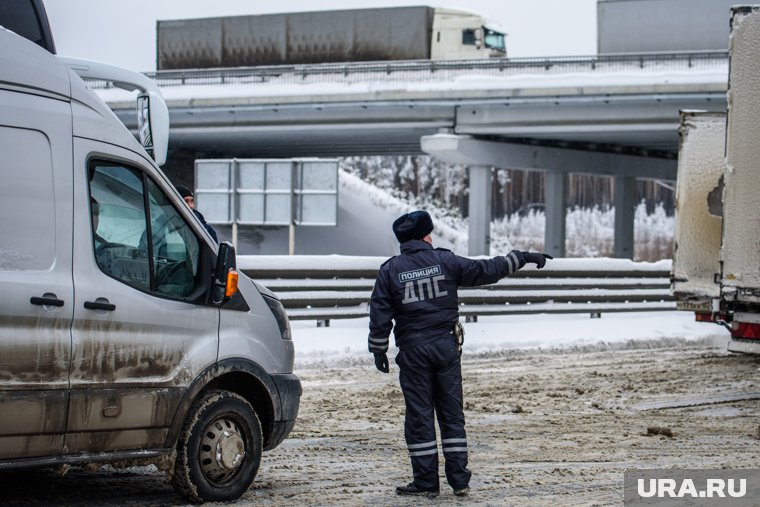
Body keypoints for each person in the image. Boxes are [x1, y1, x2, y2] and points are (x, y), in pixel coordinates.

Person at [368, 210, 552, 498]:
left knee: (420, 416)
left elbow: (380, 313)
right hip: (445, 348)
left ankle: (426, 481)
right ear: (427, 235)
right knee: (452, 414)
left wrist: (378, 349)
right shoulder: (445, 260)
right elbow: (486, 270)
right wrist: (521, 257)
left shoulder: (391, 270)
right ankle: (459, 481)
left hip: (414, 352)